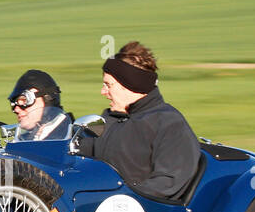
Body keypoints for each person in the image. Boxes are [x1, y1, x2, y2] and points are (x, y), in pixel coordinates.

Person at [77, 41, 201, 203]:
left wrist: (117, 197)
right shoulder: (108, 119)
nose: (103, 92)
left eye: (108, 85)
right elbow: (79, 161)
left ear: (130, 84)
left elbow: (167, 182)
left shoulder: (169, 123)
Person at [7, 69, 72, 141]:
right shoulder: (24, 140)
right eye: (14, 104)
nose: (16, 109)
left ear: (48, 99)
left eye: (24, 100)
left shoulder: (74, 141)